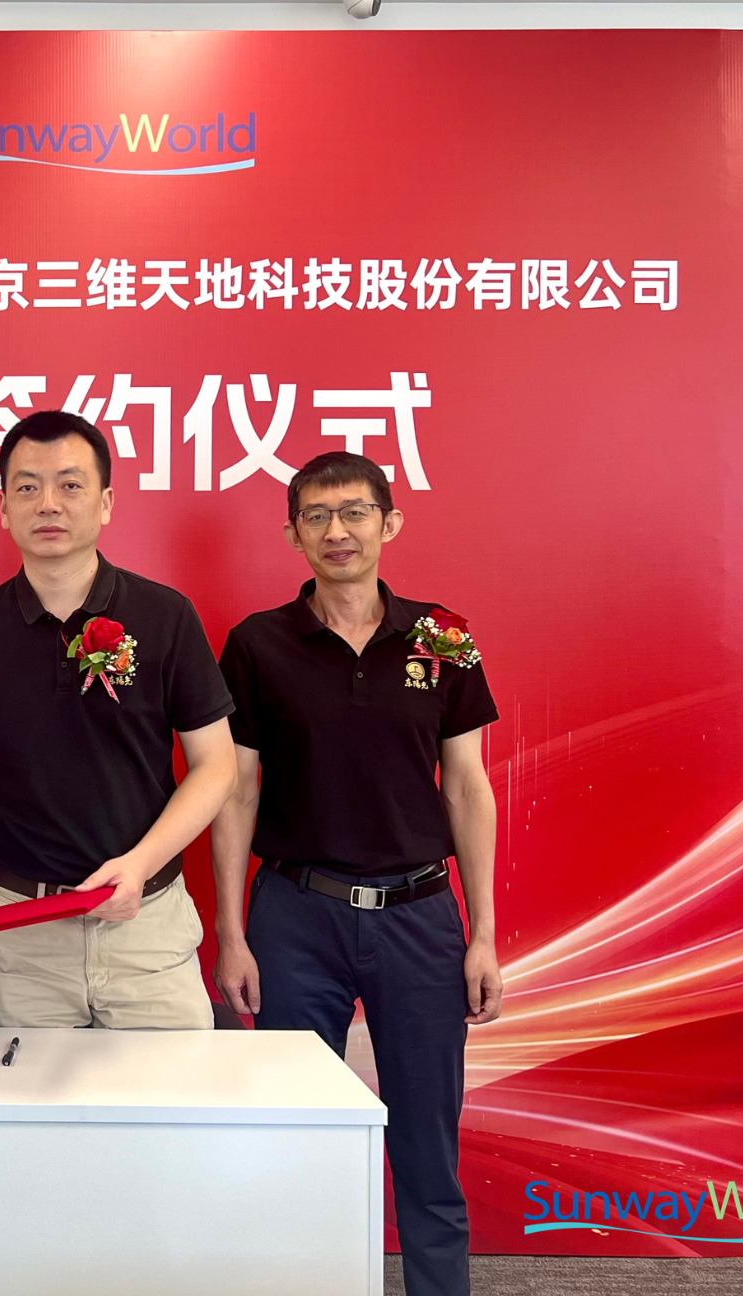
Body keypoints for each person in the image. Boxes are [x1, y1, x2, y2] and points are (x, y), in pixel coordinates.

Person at [211, 450, 502, 1296]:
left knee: (427, 1141)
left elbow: (467, 786)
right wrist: (231, 932)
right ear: (293, 534)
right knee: (296, 1136)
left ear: (389, 523)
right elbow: (236, 789)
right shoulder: (258, 644)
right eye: (317, 516)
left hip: (419, 915)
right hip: (296, 915)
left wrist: (483, 932)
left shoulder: (442, 638)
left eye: (355, 513)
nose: (336, 531)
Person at [0, 410, 237, 1028]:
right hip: (17, 934)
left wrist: (140, 864)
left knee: (167, 1093)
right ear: (4, 508)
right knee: (19, 1095)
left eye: (70, 484)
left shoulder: (166, 616)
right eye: (27, 487)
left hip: (147, 926)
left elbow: (216, 766)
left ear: (105, 502)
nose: (48, 503)